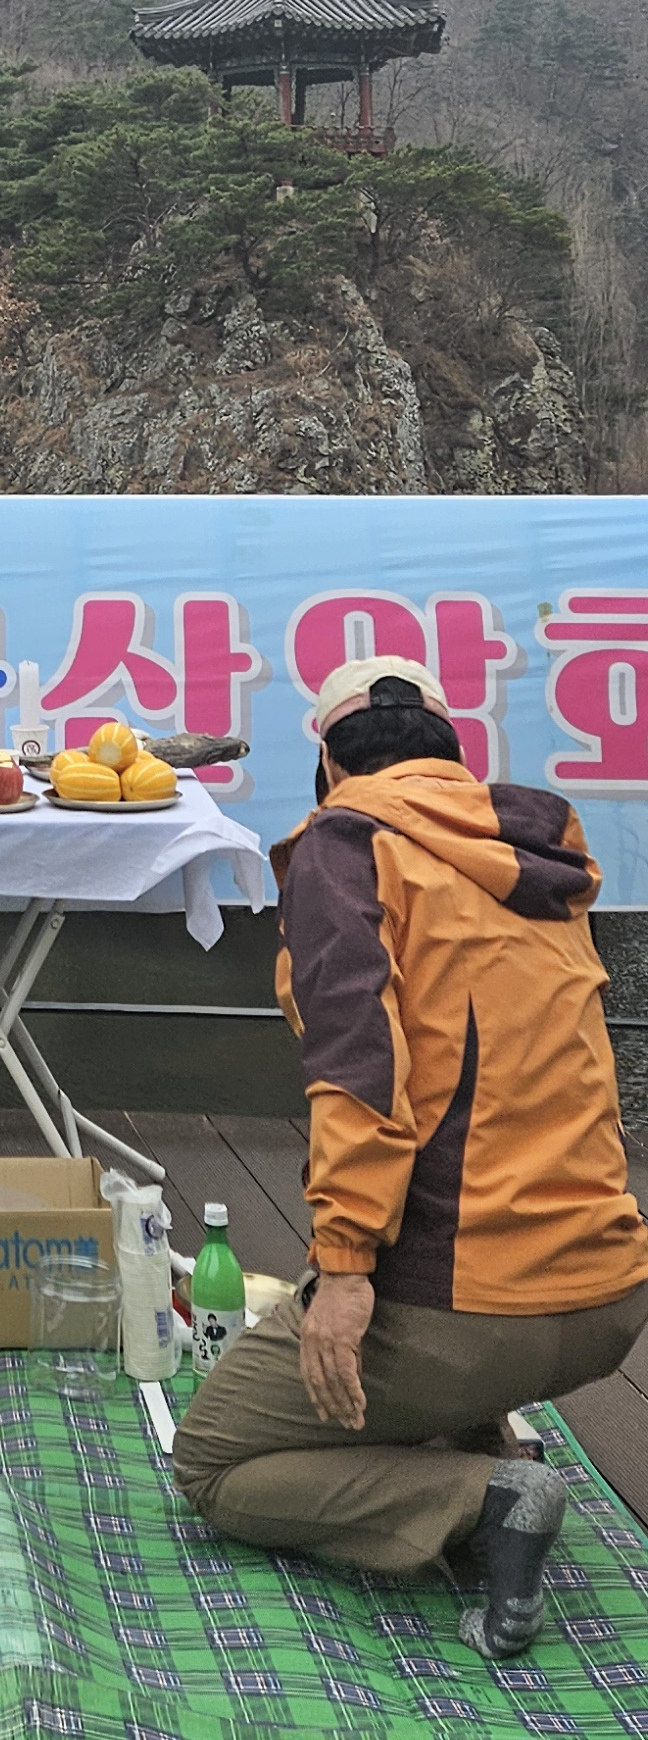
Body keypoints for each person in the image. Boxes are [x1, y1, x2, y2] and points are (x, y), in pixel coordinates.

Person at [175, 658, 648, 1657]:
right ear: (453, 760)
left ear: (327, 766)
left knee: (214, 1460)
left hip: (465, 1308)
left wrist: (345, 1272)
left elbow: (361, 1074)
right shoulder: (539, 858)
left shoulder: (346, 845)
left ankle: (482, 1496)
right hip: (608, 1298)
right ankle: (481, 1433)